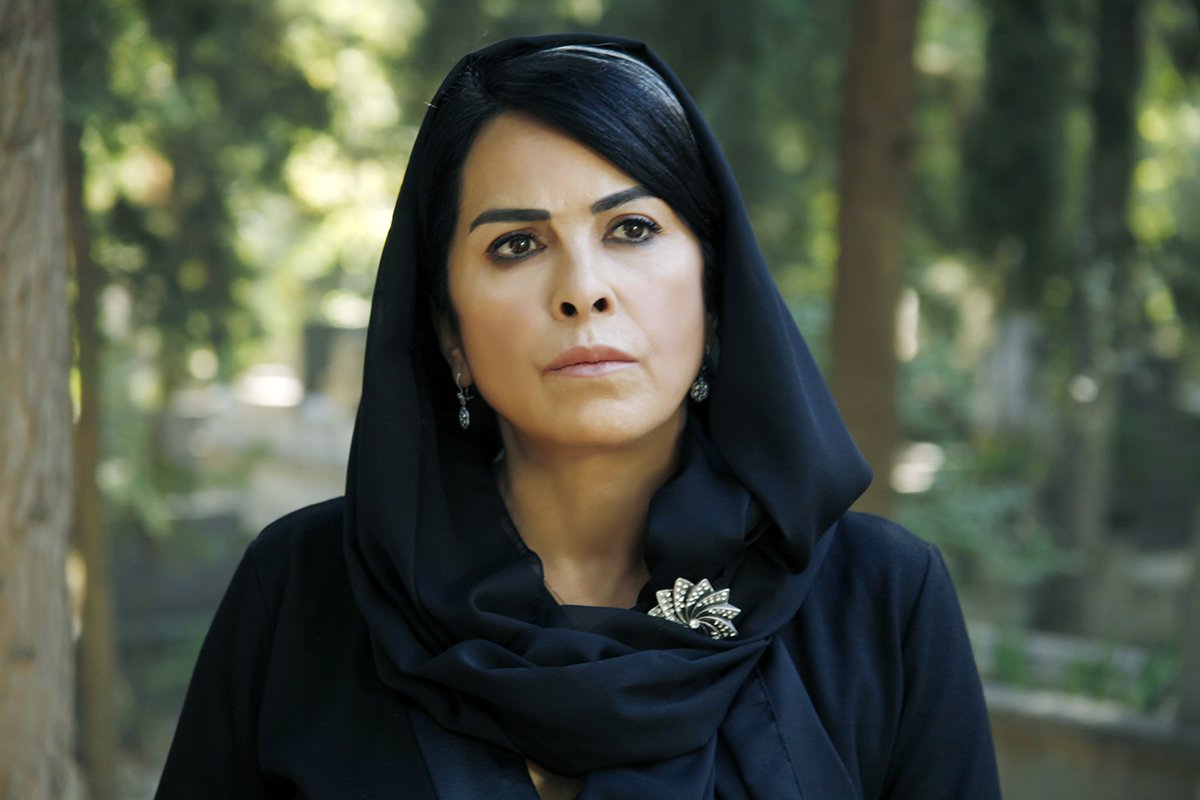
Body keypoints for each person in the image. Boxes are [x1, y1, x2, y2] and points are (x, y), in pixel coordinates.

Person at [156, 33, 1001, 799]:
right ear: (448, 331)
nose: (582, 290)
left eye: (631, 228)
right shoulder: (303, 593)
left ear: (714, 290)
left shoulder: (878, 600)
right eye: (516, 245)